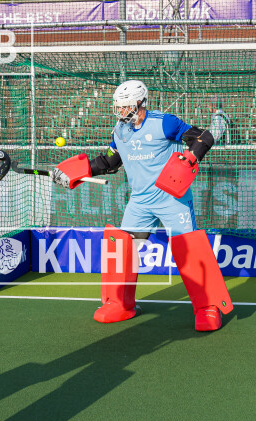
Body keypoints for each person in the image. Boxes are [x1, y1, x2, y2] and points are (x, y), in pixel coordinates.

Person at [51, 80, 233, 331]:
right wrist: (77, 173)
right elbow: (110, 161)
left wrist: (190, 157)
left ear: (139, 103)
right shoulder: (119, 130)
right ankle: (120, 304)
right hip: (140, 202)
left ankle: (208, 307)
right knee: (122, 249)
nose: (120, 111)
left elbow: (201, 137)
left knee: (190, 251)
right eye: (118, 106)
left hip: (172, 199)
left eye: (125, 106)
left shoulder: (164, 122)